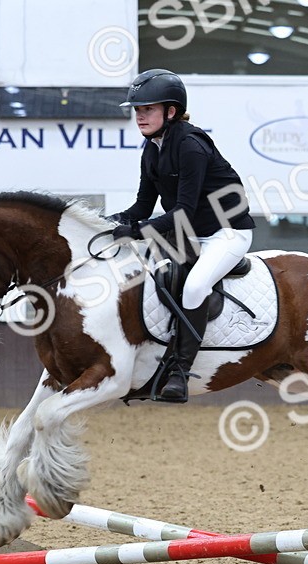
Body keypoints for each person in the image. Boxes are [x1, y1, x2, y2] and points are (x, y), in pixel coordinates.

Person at [111, 68, 255, 401]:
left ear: (171, 111)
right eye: (137, 110)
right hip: (188, 233)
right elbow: (142, 207)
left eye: (147, 109)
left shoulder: (190, 145)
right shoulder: (151, 150)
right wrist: (108, 223)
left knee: (194, 287)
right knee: (143, 277)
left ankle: (180, 373)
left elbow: (182, 213)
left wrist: (135, 232)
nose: (139, 116)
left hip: (227, 232)